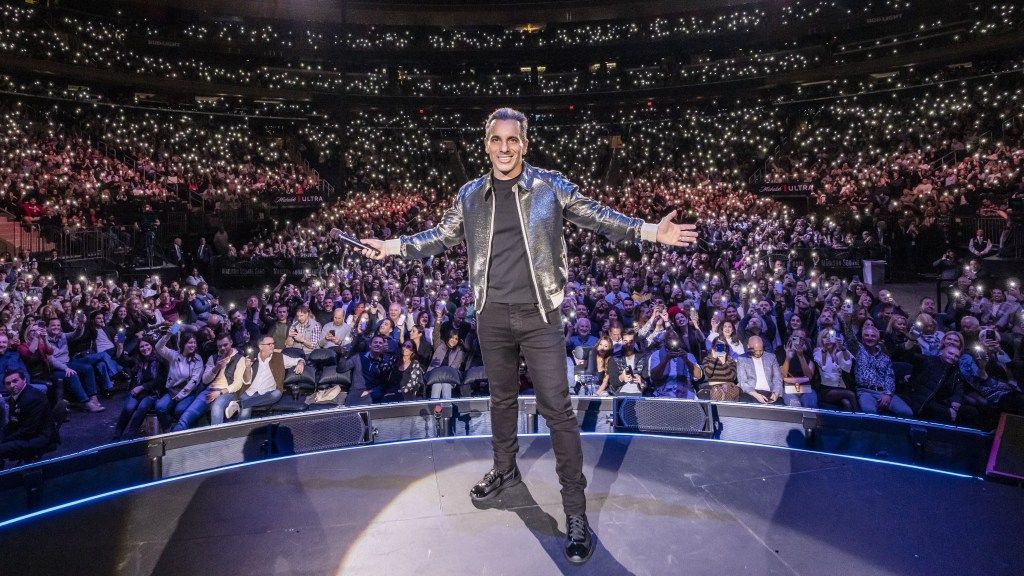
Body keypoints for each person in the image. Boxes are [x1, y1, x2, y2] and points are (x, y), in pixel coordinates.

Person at [346, 107, 697, 564]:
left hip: (539, 314)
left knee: (558, 411)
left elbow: (597, 217)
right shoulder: (471, 194)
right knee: (502, 400)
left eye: (513, 139)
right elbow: (439, 236)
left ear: (525, 144)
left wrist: (650, 231)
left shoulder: (550, 185)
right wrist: (389, 246)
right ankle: (504, 472)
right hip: (490, 314)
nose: (505, 147)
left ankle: (575, 513)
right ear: (486, 143)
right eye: (497, 139)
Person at [113, 338, 166, 440]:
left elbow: (160, 380)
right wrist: (120, 345)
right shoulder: (137, 360)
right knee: (128, 408)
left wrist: (142, 387)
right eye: (141, 346)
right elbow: (122, 360)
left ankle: (130, 435)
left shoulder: (159, 360)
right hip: (136, 391)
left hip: (152, 392)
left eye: (147, 345)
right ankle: (117, 434)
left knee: (142, 408)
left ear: (152, 346)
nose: (145, 348)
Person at [0, 370, 55, 464]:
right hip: (26, 433)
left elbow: (29, 430)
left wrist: (4, 440)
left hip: (38, 438)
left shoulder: (33, 399)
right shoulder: (18, 394)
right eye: (8, 383)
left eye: (15, 381)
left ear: (24, 380)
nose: (12, 385)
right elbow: (14, 423)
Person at [737, 336, 783, 404]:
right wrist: (756, 395)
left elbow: (777, 378)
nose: (758, 353)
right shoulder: (742, 359)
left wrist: (776, 393)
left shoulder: (771, 357)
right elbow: (742, 382)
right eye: (755, 351)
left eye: (761, 350)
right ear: (748, 347)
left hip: (770, 392)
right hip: (751, 392)